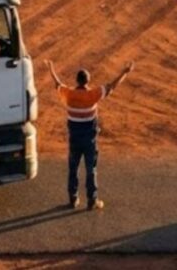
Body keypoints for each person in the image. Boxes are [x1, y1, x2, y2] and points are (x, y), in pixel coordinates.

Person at [45, 59, 134, 210]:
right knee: (90, 169)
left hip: (74, 138)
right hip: (89, 139)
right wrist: (124, 72)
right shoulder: (93, 94)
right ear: (88, 81)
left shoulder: (69, 95)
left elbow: (57, 84)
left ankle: (73, 199)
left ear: (77, 81)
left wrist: (51, 69)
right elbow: (112, 86)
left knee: (73, 168)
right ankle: (92, 200)